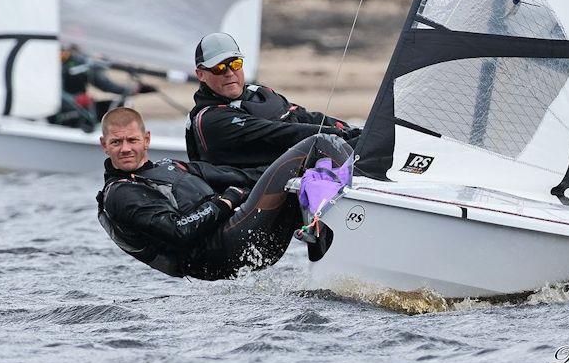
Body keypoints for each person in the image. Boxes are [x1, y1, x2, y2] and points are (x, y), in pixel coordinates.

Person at [97, 107, 349, 279]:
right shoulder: (121, 194)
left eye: (132, 140)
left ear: (146, 139)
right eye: (116, 142)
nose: (125, 149)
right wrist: (226, 200)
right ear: (104, 145)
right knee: (321, 144)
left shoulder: (170, 166)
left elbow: (239, 177)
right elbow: (178, 231)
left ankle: (334, 261)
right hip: (222, 249)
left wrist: (279, 170)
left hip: (246, 241)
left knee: (304, 174)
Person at [186, 32, 361, 170]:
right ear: (201, 74)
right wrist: (342, 136)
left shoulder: (261, 93)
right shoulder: (210, 119)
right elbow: (281, 133)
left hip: (290, 181)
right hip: (248, 196)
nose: (230, 73)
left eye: (235, 64)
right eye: (219, 68)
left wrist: (355, 131)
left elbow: (304, 116)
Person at [48, 45, 156, 132]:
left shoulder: (77, 62)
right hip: (57, 113)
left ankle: (122, 142)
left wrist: (135, 89)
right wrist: (75, 100)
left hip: (84, 108)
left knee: (123, 106)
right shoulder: (45, 63)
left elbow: (105, 85)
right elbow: (43, 94)